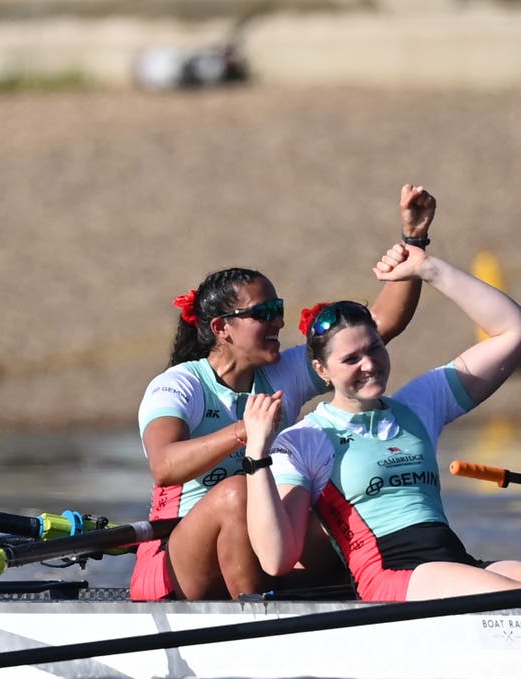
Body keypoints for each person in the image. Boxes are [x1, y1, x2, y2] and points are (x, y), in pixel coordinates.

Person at [131, 184, 436, 600]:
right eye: (265, 314)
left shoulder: (279, 373)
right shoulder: (179, 385)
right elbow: (164, 466)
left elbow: (379, 324)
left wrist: (413, 240)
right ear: (222, 328)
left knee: (337, 503)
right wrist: (246, 431)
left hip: (257, 545)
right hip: (177, 558)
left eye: (279, 309)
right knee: (239, 491)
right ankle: (263, 617)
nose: (278, 322)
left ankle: (404, 577)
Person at [243, 242, 521, 602]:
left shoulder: (420, 404)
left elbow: (512, 331)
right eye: (351, 359)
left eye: (374, 349)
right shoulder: (305, 440)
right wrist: (257, 453)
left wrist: (428, 268)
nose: (369, 364)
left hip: (455, 563)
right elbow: (276, 559)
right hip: (392, 576)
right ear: (321, 370)